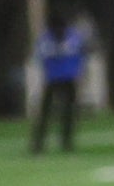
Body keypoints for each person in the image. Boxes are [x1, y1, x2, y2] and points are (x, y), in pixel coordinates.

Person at [27, 8, 91, 155]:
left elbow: (39, 58)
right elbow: (82, 54)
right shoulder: (71, 37)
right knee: (61, 113)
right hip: (61, 78)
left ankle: (42, 144)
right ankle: (61, 142)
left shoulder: (47, 39)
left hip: (57, 78)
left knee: (53, 113)